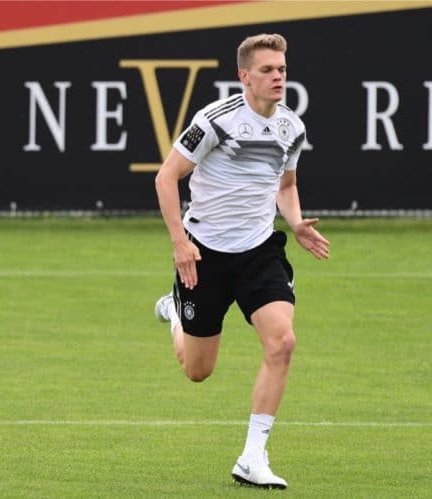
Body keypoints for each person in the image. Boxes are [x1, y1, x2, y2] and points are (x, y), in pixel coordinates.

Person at [153, 33, 329, 489]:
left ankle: (253, 456)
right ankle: (175, 312)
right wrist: (179, 242)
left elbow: (285, 186)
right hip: (203, 254)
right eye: (268, 70)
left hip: (258, 253)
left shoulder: (291, 127)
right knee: (198, 371)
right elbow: (166, 177)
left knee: (282, 342)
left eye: (283, 69)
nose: (278, 77)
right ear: (244, 76)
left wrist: (294, 222)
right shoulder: (215, 121)